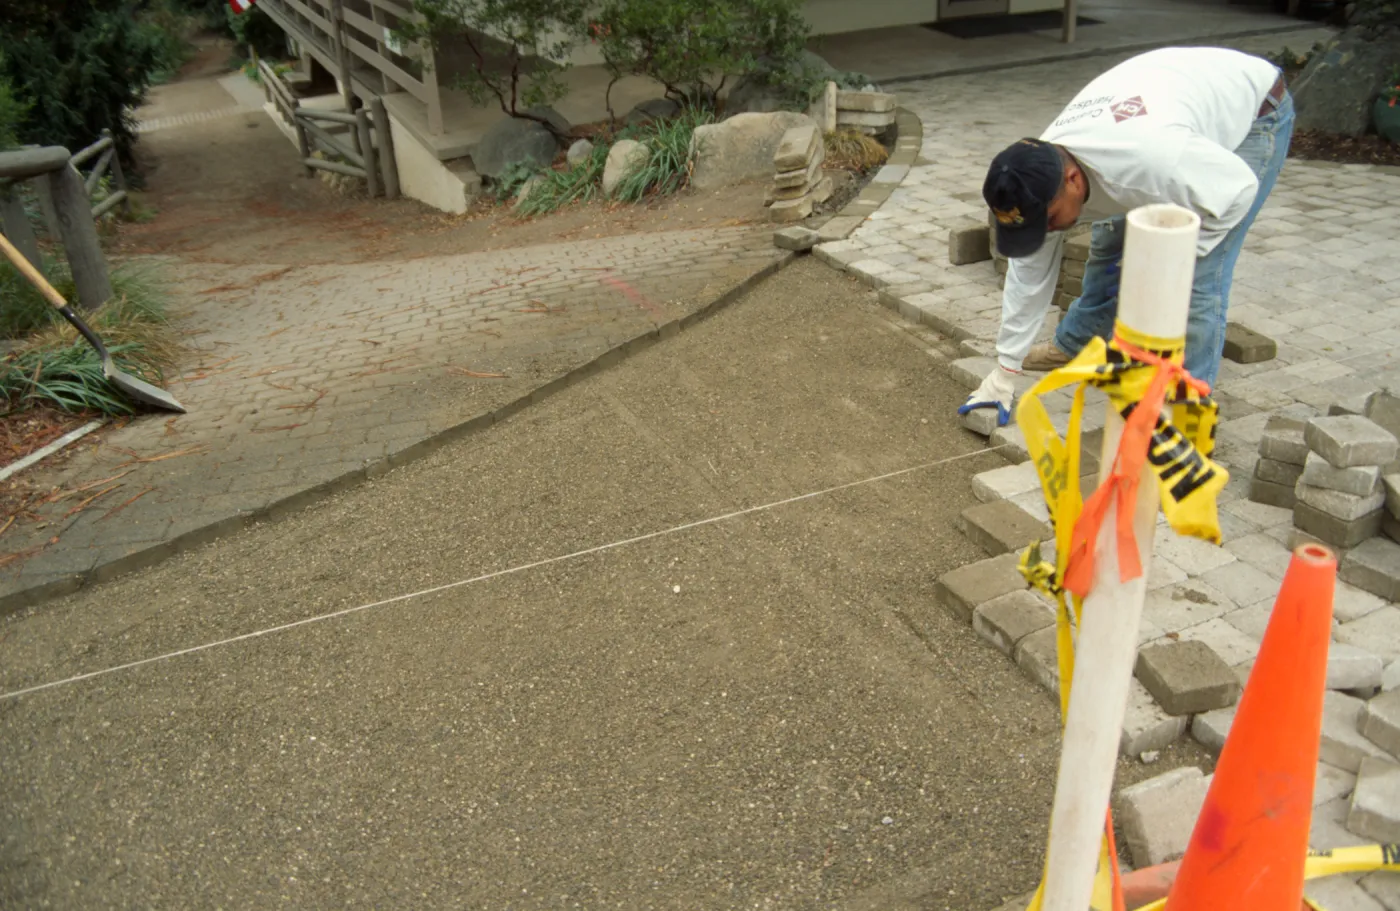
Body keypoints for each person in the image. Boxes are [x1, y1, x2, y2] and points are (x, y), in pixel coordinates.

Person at [959, 46, 1295, 427]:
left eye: (1049, 219)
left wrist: (1180, 258)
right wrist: (1006, 371)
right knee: (1108, 243)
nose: (1047, 229)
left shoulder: (1153, 161)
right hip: (1166, 106)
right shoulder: (1040, 178)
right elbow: (1028, 276)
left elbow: (1237, 191)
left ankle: (1187, 413)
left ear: (1072, 180)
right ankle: (1078, 345)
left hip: (1255, 111)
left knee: (1199, 280)